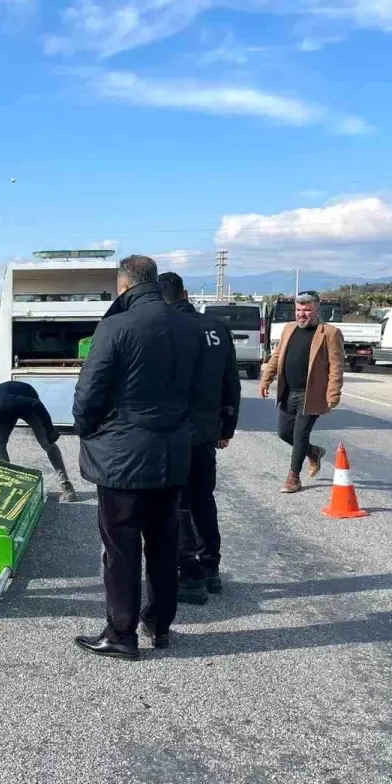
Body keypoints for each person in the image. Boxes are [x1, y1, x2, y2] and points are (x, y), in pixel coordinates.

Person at [71, 255, 202, 660]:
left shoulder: (116, 326)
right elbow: (200, 390)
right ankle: (159, 624)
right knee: (163, 543)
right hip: (173, 454)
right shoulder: (190, 326)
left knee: (121, 547)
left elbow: (88, 396)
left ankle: (120, 633)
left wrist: (89, 429)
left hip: (124, 459)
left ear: (124, 286)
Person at [157, 273, 241, 604]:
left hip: (174, 433)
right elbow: (230, 381)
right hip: (207, 432)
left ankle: (189, 573)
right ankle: (211, 569)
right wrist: (227, 428)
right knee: (203, 501)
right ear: (186, 294)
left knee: (179, 505)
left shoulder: (166, 330)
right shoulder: (216, 328)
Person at [260, 291, 346, 493]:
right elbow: (277, 356)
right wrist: (266, 379)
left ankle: (293, 477)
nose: (301, 314)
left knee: (300, 434)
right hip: (288, 391)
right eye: (298, 310)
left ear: (317, 310)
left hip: (311, 394)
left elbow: (337, 365)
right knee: (284, 433)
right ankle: (313, 452)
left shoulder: (330, 333)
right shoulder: (289, 329)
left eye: (306, 310)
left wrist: (333, 393)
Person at [0, 379, 77, 501]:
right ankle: (8, 482)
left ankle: (66, 484)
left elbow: (36, 404)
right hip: (6, 413)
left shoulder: (3, 404)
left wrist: (50, 429)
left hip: (27, 401)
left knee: (46, 442)